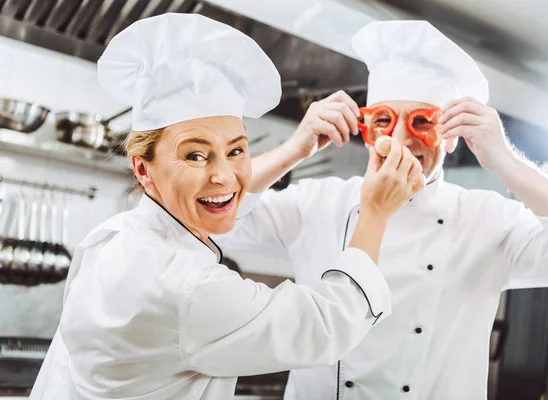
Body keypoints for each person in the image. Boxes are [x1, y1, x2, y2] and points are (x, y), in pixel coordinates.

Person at [28, 14, 425, 400]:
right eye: (196, 156)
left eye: (236, 149)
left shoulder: (113, 238)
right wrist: (375, 211)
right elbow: (327, 325)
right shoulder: (188, 288)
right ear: (143, 169)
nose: (224, 175)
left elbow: (219, 195)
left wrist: (293, 151)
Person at [214, 20, 548, 400]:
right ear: (364, 131)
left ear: (450, 139)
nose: (399, 139)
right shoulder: (316, 203)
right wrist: (293, 149)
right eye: (382, 120)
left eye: (421, 122)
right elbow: (213, 223)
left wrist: (505, 161)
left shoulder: (488, 219)